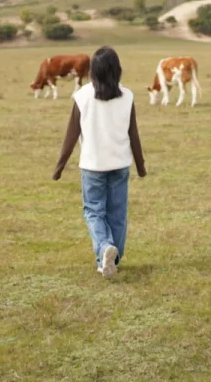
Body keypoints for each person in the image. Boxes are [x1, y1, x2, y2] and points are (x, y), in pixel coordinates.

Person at [52, 45, 146, 277]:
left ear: (93, 70)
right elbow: (133, 133)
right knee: (117, 214)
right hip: (120, 165)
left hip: (93, 166)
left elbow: (71, 135)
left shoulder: (82, 96)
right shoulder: (128, 95)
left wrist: (59, 166)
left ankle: (104, 248)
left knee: (94, 212)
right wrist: (141, 166)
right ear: (117, 70)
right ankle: (113, 259)